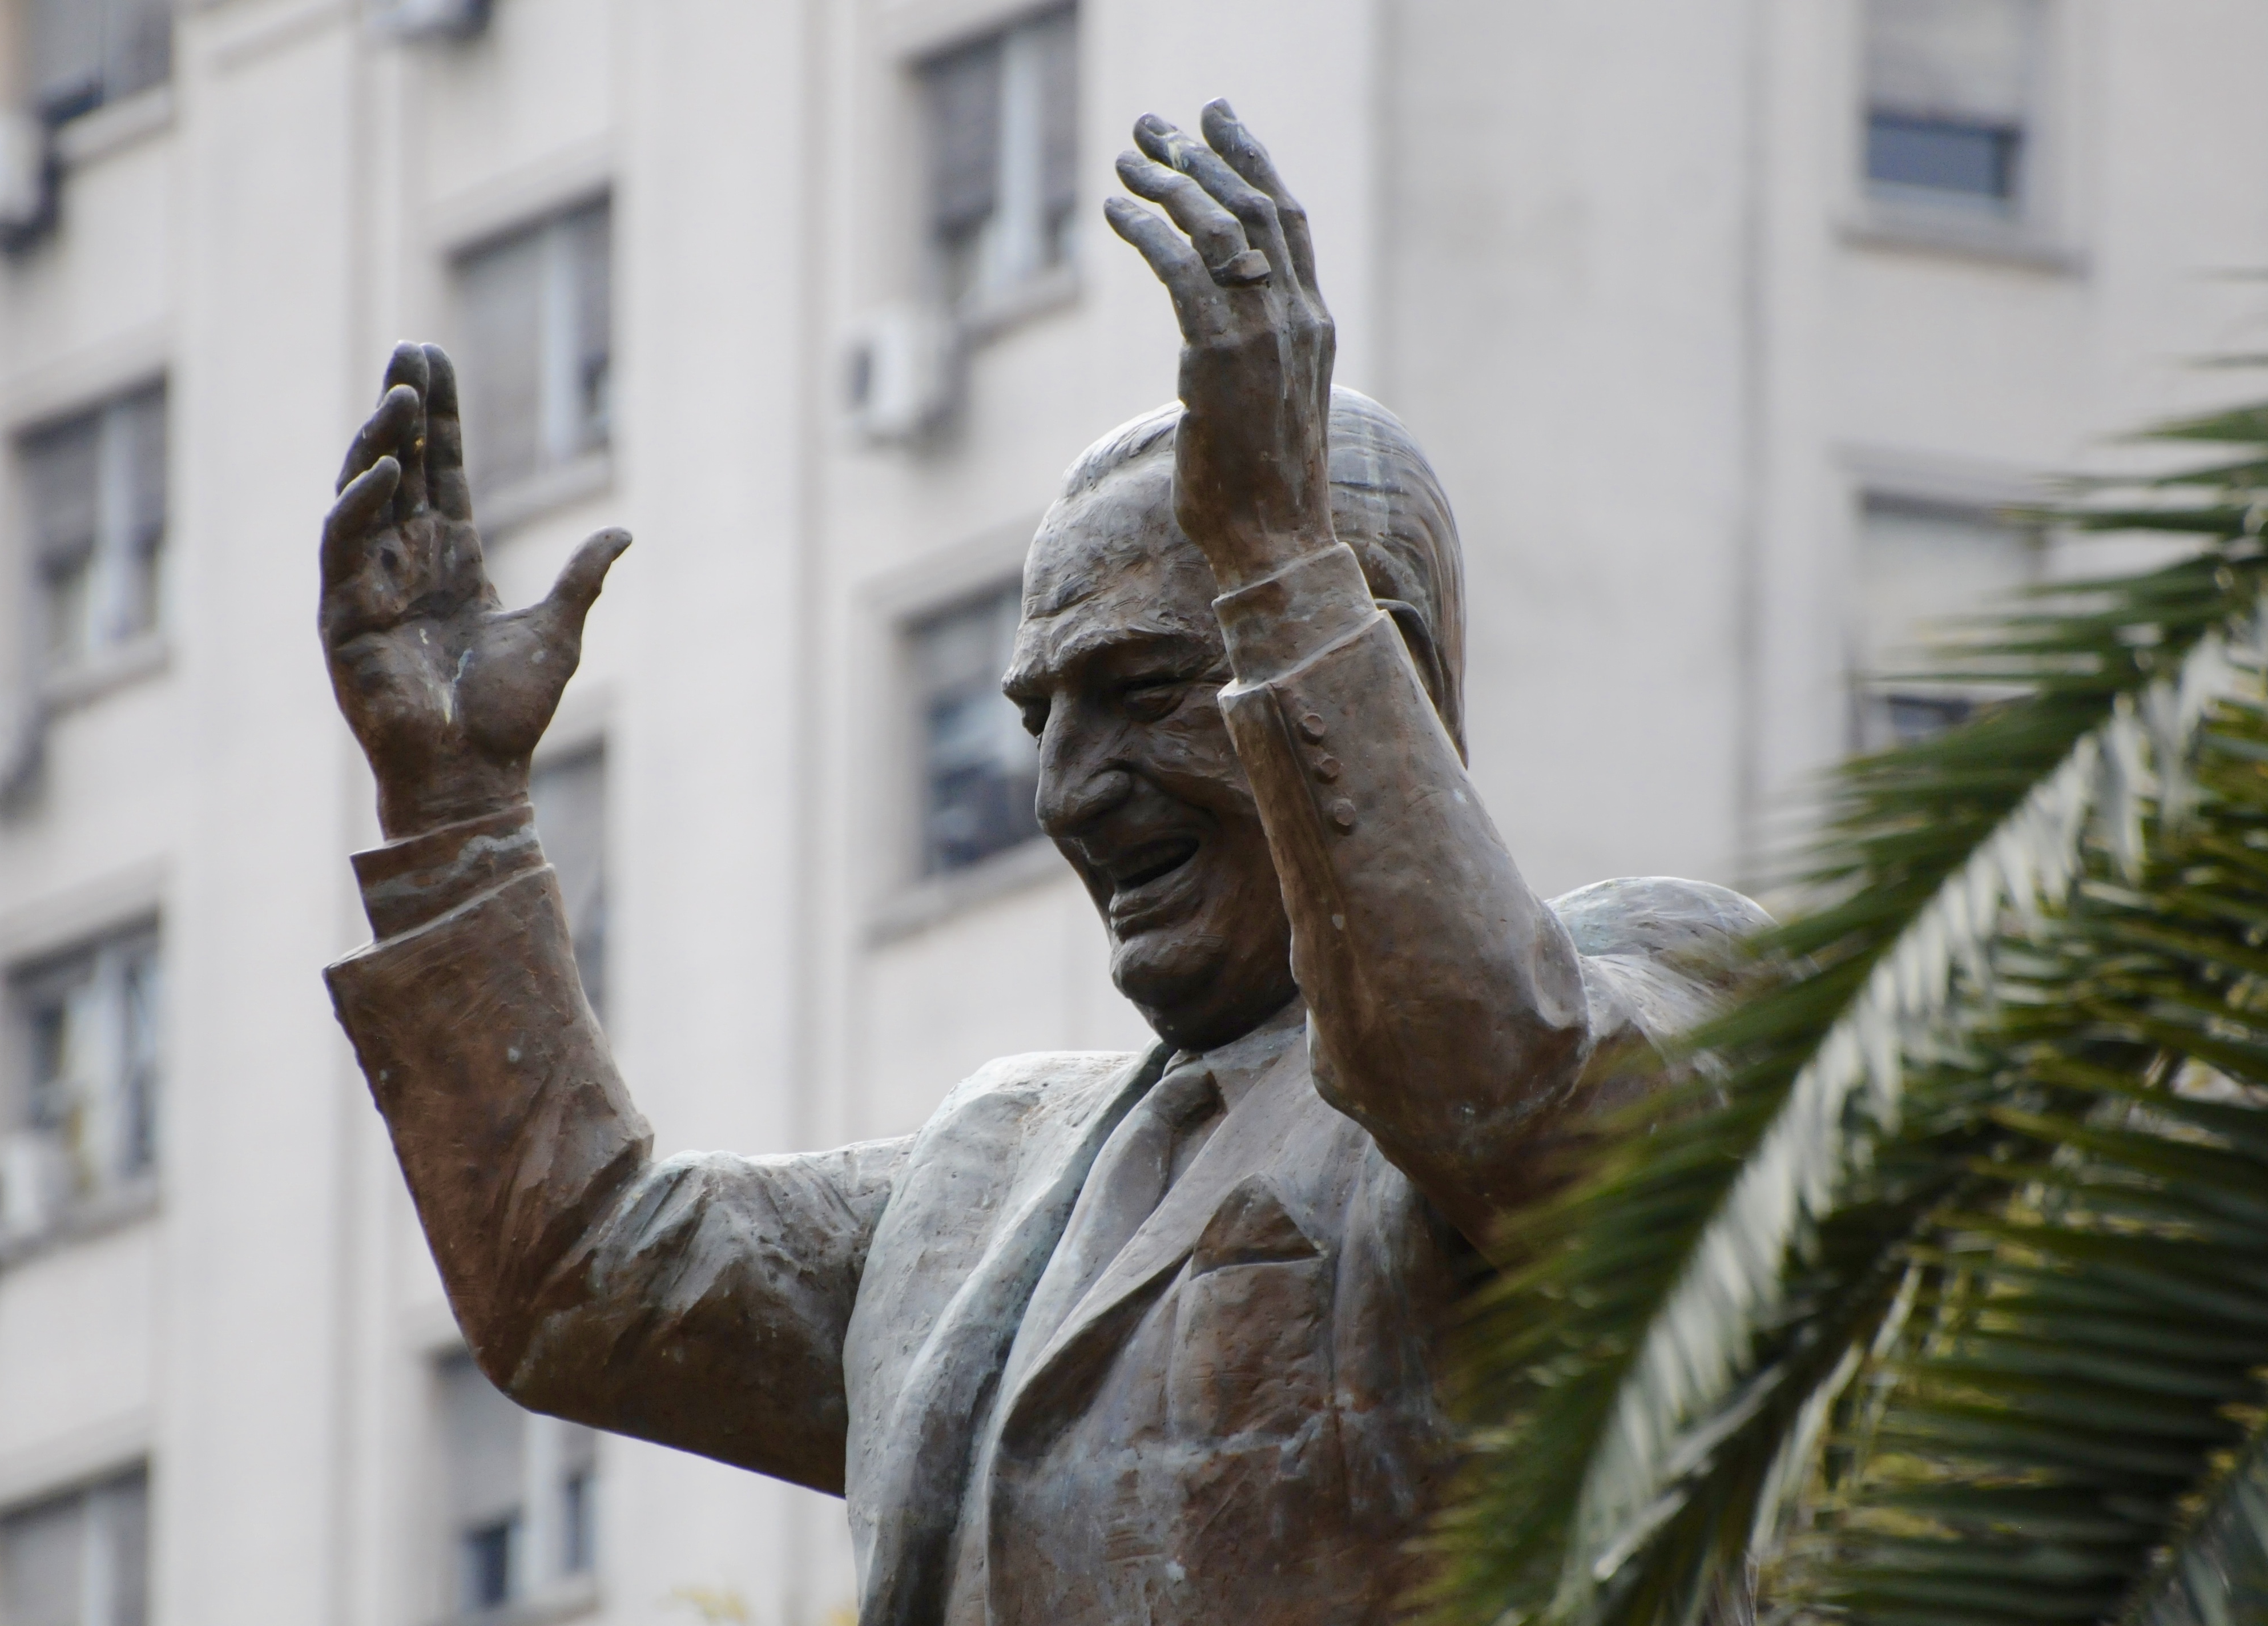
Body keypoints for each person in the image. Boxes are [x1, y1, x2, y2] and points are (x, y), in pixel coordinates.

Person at [316, 102, 1764, 1626]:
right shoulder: (989, 1173)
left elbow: (1493, 1082)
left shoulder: (1659, 986)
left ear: (1370, 666)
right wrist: (456, 810)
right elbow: (578, 1280)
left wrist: (1275, 557)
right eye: (1040, 718)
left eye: (1145, 690)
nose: (1069, 790)